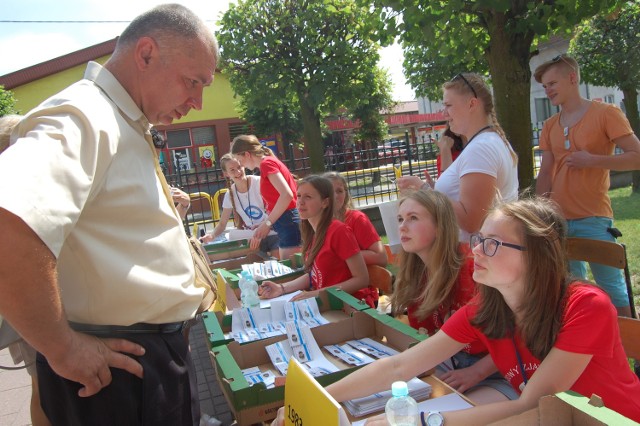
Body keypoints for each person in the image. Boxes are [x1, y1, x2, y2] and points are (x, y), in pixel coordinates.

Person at [0, 4, 218, 425]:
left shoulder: (123, 120)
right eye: (193, 82)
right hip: (117, 377)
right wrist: (62, 347)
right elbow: (9, 219)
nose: (197, 101)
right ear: (147, 54)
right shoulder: (85, 114)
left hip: (142, 366)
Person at [272, 197, 640, 425]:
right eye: (479, 239)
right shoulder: (488, 306)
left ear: (539, 256)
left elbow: (529, 403)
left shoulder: (585, 306)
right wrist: (317, 397)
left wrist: (421, 420)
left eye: (492, 244)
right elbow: (401, 366)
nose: (476, 251)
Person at [534, 54, 640, 317]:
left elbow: (636, 156)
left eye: (552, 83)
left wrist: (593, 160)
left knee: (613, 289)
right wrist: (539, 214)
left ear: (572, 78)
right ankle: (583, 348)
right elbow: (545, 172)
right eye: (545, 86)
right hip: (558, 221)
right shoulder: (549, 125)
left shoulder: (606, 114)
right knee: (572, 290)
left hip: (593, 218)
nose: (547, 90)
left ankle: (633, 352)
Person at [391, 189, 517, 404]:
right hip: (452, 363)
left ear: (440, 227)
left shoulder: (474, 267)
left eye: (413, 218)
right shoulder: (416, 273)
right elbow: (424, 337)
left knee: (454, 414)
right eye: (401, 219)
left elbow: (519, 334)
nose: (402, 226)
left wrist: (477, 372)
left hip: (501, 369)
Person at [397, 73, 519, 243]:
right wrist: (435, 189)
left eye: (448, 105)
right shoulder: (488, 141)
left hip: (477, 255)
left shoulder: (481, 148)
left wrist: (424, 189)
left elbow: (471, 221)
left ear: (472, 104)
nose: (444, 113)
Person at [0, 114, 51, 426]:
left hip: (25, 312)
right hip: (31, 310)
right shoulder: (14, 192)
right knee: (46, 386)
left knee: (41, 385)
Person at [259, 175, 375, 307]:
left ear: (325, 202)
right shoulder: (313, 231)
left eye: (308, 197)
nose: (300, 202)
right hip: (326, 304)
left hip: (349, 306)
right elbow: (314, 275)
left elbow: (361, 279)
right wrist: (281, 288)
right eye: (299, 196)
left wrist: (317, 293)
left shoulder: (339, 231)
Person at [231, 134, 302, 260]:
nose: (242, 166)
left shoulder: (267, 164)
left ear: (247, 154)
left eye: (240, 161)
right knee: (291, 265)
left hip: (288, 222)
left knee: (293, 267)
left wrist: (267, 223)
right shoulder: (268, 162)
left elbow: (287, 195)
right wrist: (265, 223)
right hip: (286, 221)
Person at [201, 153, 279, 257]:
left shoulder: (259, 182)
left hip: (273, 231)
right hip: (251, 238)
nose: (238, 172)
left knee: (278, 260)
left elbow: (278, 207)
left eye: (239, 167)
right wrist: (211, 235)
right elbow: (222, 223)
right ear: (226, 174)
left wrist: (266, 225)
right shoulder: (230, 194)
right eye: (232, 170)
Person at [323, 172, 387, 266]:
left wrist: (340, 255)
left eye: (339, 191)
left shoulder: (357, 219)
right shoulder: (318, 222)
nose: (335, 196)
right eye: (329, 192)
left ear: (346, 194)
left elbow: (381, 258)